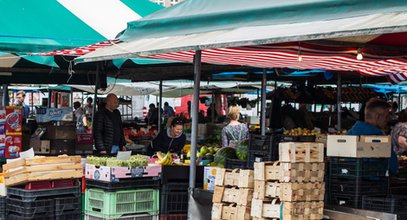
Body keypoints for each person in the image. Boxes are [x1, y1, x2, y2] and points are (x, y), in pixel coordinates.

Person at [347, 98, 398, 175]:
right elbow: (393, 168)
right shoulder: (382, 140)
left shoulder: (350, 134)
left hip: (350, 182)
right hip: (374, 184)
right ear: (378, 117)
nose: (388, 120)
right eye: (386, 116)